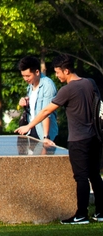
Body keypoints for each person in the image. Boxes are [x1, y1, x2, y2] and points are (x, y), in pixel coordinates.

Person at [16, 54, 103, 224]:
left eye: (58, 72)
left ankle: (81, 214)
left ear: (66, 70)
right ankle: (100, 212)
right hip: (95, 137)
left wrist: (29, 126)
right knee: (94, 175)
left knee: (81, 177)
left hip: (78, 139)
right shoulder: (90, 83)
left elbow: (46, 111)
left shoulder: (68, 90)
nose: (57, 76)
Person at [17, 56, 58, 142]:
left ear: (37, 72)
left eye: (28, 76)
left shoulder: (48, 85)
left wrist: (46, 137)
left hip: (43, 133)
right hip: (31, 130)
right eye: (23, 76)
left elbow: (46, 112)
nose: (25, 79)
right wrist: (25, 102)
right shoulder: (31, 85)